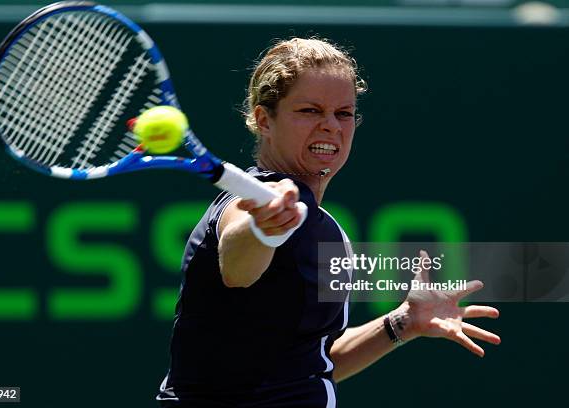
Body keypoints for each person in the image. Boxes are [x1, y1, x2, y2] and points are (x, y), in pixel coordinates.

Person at [156, 37, 500, 407]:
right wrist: (262, 229)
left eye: (343, 113)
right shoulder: (261, 200)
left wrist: (402, 322)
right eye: (309, 110)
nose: (330, 126)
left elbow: (313, 364)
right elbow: (237, 264)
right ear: (263, 119)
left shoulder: (323, 225)